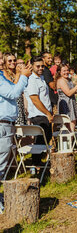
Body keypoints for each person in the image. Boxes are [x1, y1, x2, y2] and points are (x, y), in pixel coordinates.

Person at [0, 60, 31, 212]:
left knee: (2, 165)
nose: (2, 61)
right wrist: (24, 76)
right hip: (2, 126)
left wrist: (20, 74)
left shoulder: (1, 76)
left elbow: (13, 88)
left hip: (6, 125)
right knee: (0, 165)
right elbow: (13, 93)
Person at [25, 56, 54, 165]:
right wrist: (47, 113)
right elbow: (35, 99)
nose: (41, 68)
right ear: (32, 66)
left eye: (42, 66)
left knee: (46, 139)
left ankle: (39, 163)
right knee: (40, 141)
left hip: (45, 114)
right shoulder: (32, 80)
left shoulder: (41, 78)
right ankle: (36, 164)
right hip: (39, 114)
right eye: (38, 66)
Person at [56, 63, 77, 132]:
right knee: (68, 125)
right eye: (64, 71)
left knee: (73, 123)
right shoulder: (61, 80)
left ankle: (71, 140)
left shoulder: (68, 79)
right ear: (60, 72)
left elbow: (75, 91)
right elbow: (69, 93)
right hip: (65, 104)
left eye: (67, 70)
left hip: (71, 103)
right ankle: (69, 140)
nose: (66, 72)